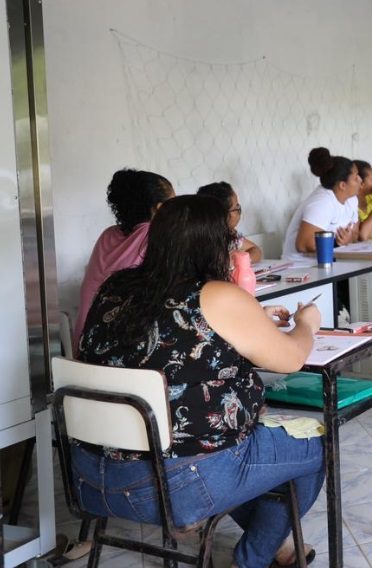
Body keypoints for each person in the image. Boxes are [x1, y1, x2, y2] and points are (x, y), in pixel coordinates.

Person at [76, 195, 324, 568]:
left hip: (92, 479)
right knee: (316, 444)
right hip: (177, 484)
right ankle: (254, 557)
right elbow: (291, 358)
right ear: (214, 243)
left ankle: (272, 546)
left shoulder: (116, 287)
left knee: (245, 450)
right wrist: (308, 324)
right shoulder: (215, 294)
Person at [74, 169, 174, 345]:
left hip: (84, 344)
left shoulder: (108, 235)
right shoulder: (156, 235)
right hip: (124, 350)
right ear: (159, 208)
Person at [282, 148, 362, 260]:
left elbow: (355, 233)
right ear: (342, 185)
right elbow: (304, 245)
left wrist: (348, 240)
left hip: (331, 261)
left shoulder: (352, 200)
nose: (360, 180)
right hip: (301, 266)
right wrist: (338, 243)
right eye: (355, 178)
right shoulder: (322, 202)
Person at [197, 181, 263, 262]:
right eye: (236, 208)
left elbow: (255, 250)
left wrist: (241, 261)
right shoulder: (198, 239)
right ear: (221, 215)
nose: (239, 211)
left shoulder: (231, 234)